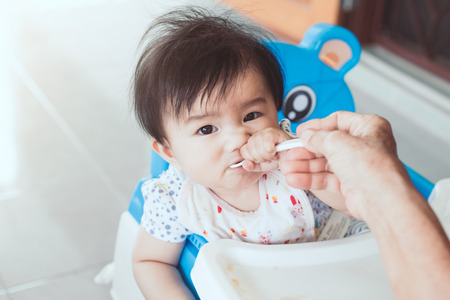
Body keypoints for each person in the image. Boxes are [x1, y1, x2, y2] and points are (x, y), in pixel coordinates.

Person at [131, 7, 350, 299]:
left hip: (334, 267)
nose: (239, 137)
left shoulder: (296, 153)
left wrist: (294, 160)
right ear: (169, 151)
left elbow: (353, 202)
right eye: (207, 129)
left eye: (252, 115)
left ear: (276, 111)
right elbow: (150, 261)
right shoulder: (174, 198)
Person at [279, 111, 450, 300]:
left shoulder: (292, 160)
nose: (240, 136)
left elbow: (344, 199)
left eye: (251, 116)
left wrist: (377, 181)